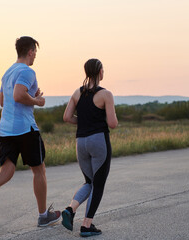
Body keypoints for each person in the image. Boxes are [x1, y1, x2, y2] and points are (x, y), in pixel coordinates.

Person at [0, 36, 60, 236]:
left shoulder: (7, 72)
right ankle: (43, 216)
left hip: (6, 129)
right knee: (39, 169)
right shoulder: (27, 70)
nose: (35, 57)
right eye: (35, 52)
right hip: (25, 129)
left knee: (5, 172)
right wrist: (38, 100)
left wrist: (31, 95)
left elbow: (3, 100)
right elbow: (18, 96)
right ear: (31, 51)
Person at [61, 58, 118, 237]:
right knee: (98, 184)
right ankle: (86, 225)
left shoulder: (77, 93)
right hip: (98, 141)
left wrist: (84, 122)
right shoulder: (105, 94)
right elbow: (112, 123)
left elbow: (67, 117)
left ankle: (70, 209)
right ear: (100, 71)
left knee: (89, 182)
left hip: (81, 142)